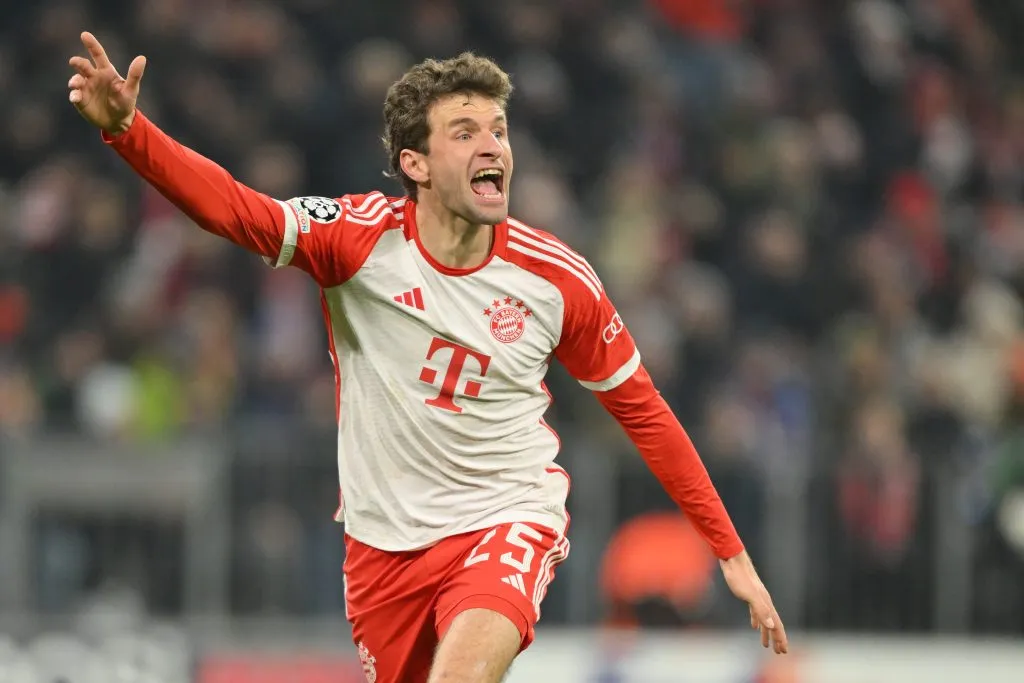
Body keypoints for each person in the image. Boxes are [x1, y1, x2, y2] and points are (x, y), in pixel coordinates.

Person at [67, 31, 788, 683]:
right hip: (383, 548)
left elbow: (645, 413)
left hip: (506, 515)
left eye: (499, 130)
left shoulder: (556, 280)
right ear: (414, 163)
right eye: (465, 132)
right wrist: (129, 131)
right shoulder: (357, 241)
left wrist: (731, 553)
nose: (493, 147)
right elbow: (234, 208)